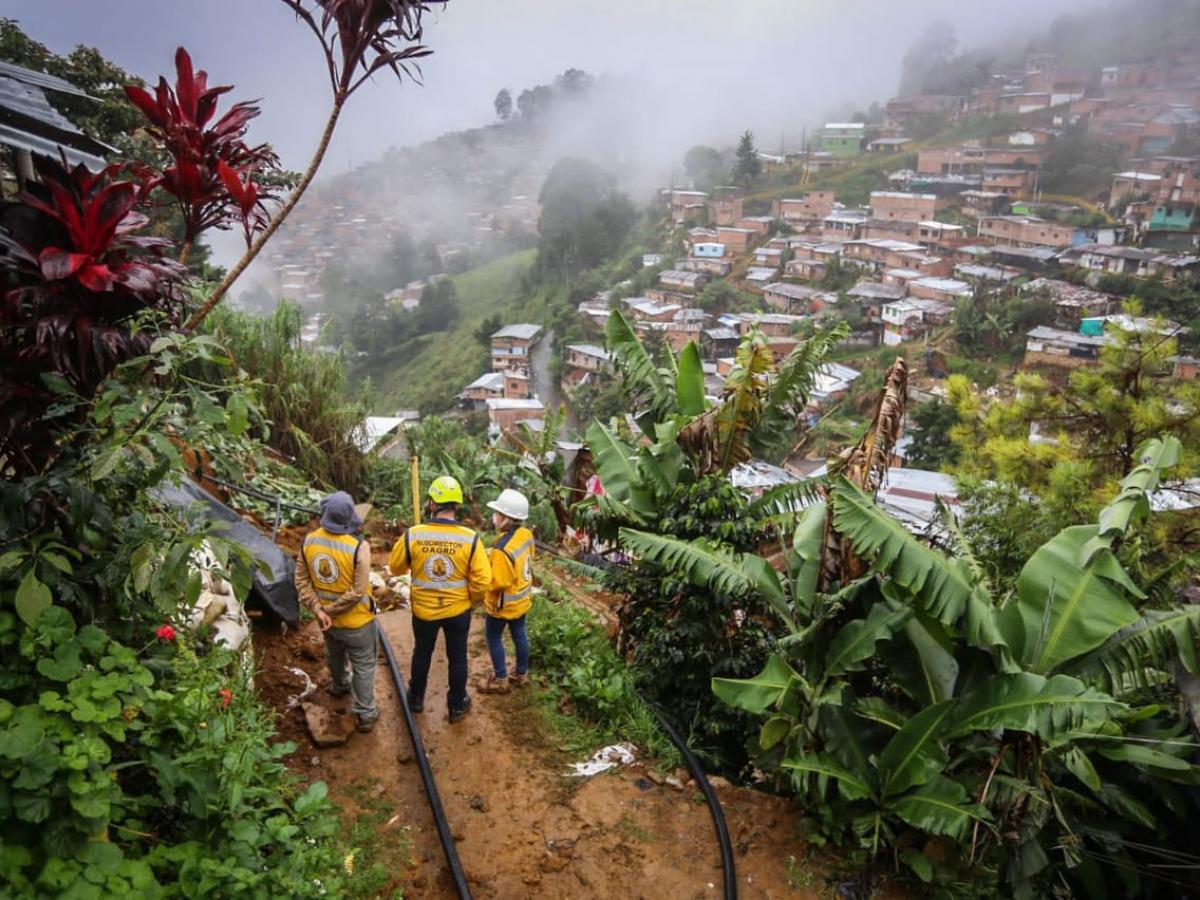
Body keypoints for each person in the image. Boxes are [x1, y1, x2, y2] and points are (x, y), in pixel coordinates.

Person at [388, 476, 491, 723]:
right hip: (458, 611)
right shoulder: (471, 538)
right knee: (458, 656)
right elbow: (483, 581)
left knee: (422, 651)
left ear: (432, 503)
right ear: (456, 505)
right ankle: (456, 705)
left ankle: (415, 699)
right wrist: (472, 600)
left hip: (424, 611)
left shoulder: (413, 535)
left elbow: (396, 568)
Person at [295, 491, 378, 733]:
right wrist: (330, 610)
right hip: (357, 621)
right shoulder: (358, 547)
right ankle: (365, 714)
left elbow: (301, 580)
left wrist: (319, 610)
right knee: (363, 664)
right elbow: (357, 591)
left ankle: (340, 686)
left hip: (327, 622)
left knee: (335, 654)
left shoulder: (309, 541)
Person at [478, 489, 535, 695]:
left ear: (505, 519)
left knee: (493, 638)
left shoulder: (502, 548)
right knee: (519, 634)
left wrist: (481, 575)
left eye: (497, 514)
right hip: (521, 599)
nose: (494, 516)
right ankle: (521, 674)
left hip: (502, 604)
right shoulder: (525, 535)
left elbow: (497, 582)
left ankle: (501, 679)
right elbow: (519, 560)